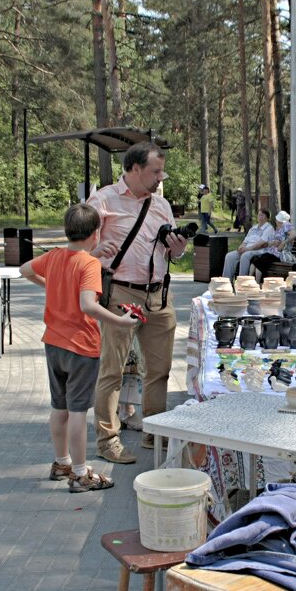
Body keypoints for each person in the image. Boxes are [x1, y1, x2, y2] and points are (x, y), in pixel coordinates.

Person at [19, 203, 139, 491]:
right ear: (95, 234)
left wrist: (51, 286)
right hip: (80, 347)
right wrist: (121, 322)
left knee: (59, 407)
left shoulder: (55, 256)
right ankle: (80, 472)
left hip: (53, 343)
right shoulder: (89, 265)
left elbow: (24, 269)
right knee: (77, 412)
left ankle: (61, 462)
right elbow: (88, 305)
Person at [86, 141, 190, 464]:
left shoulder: (161, 204)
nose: (161, 177)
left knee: (160, 370)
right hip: (120, 293)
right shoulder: (103, 200)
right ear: (134, 169)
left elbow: (174, 253)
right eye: (155, 171)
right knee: (112, 370)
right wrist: (93, 255)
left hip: (158, 295)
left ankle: (154, 431)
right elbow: (79, 245)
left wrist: (179, 246)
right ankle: (108, 440)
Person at [222, 208, 275, 279]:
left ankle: (242, 281)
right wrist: (240, 248)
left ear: (267, 218)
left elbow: (261, 244)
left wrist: (246, 249)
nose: (260, 217)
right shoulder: (253, 228)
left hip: (259, 251)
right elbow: (245, 241)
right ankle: (226, 281)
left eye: (263, 216)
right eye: (259, 215)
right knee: (229, 256)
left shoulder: (269, 228)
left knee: (245, 256)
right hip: (247, 249)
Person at [249, 209, 294, 283]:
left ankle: (257, 283)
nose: (276, 221)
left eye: (277, 220)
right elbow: (272, 243)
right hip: (272, 252)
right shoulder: (278, 229)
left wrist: (283, 243)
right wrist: (273, 243)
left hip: (278, 255)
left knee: (261, 261)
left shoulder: (286, 226)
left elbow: (293, 235)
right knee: (255, 258)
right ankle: (249, 280)